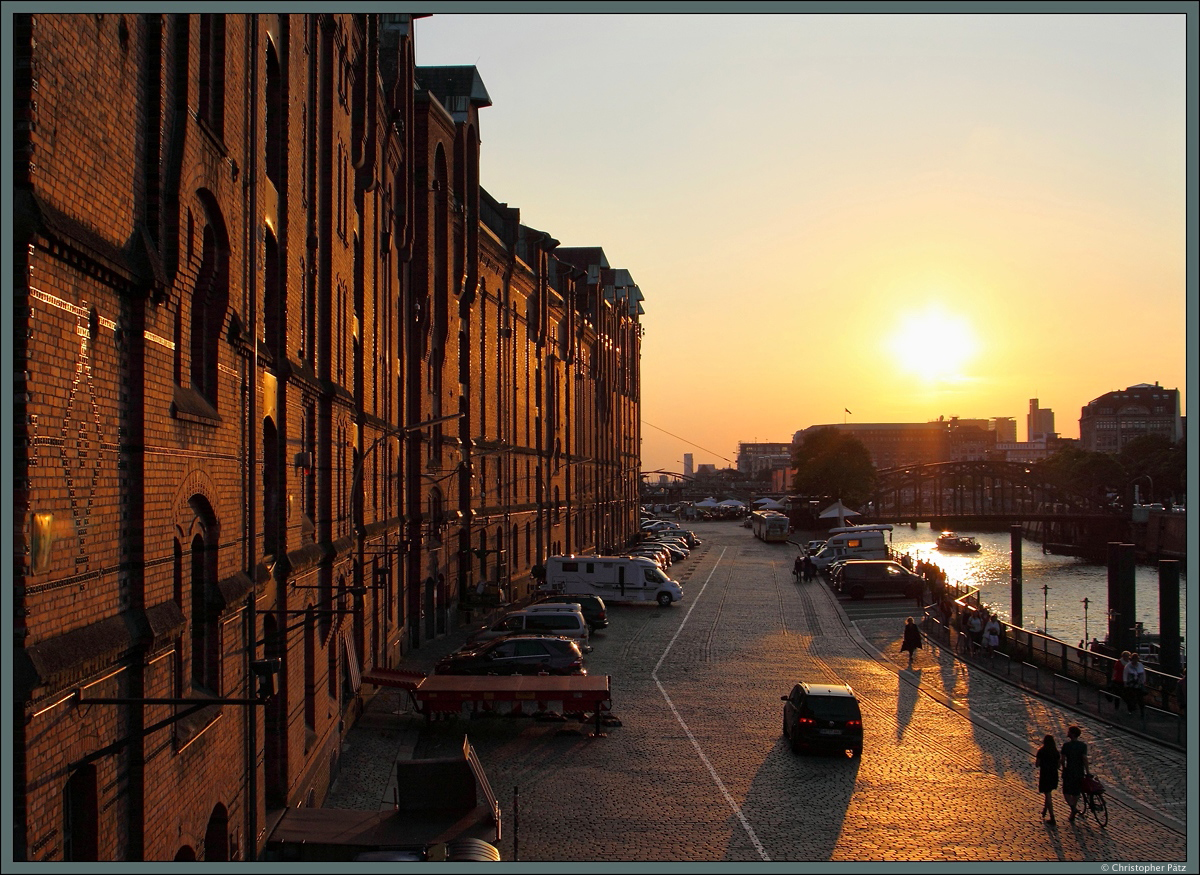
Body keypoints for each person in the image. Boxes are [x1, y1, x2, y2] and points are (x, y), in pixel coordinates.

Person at [1060, 725, 1089, 823]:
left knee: (1066, 791)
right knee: (1076, 792)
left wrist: (1063, 768)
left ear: (1072, 734)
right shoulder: (1083, 746)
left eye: (1069, 732)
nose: (1067, 733)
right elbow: (1084, 759)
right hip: (1079, 771)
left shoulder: (1066, 746)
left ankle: (1073, 808)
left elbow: (1062, 760)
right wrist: (1087, 771)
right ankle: (1072, 813)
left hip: (1069, 771)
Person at [1035, 734, 1060, 825]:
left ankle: (1052, 817)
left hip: (1045, 774)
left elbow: (1037, 764)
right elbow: (1058, 765)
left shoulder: (1041, 751)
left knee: (1048, 794)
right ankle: (1045, 809)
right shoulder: (1056, 752)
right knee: (1048, 793)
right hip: (1054, 774)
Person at [1123, 651, 1147, 716]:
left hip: (1139, 685)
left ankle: (1142, 712)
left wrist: (1144, 682)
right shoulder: (1128, 666)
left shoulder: (1140, 665)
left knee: (1140, 699)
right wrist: (1125, 682)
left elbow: (1143, 674)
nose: (1135, 661)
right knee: (1131, 698)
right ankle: (1131, 710)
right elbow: (1125, 674)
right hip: (1131, 685)